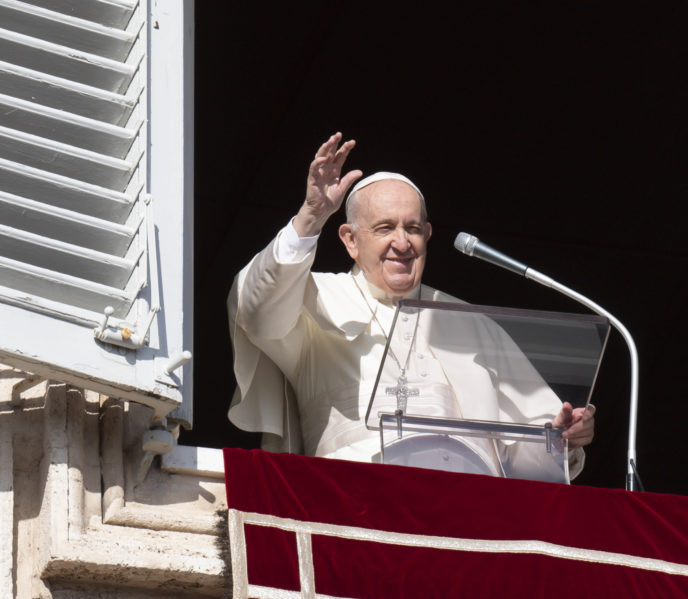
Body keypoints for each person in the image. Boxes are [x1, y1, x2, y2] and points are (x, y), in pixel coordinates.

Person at [227, 132, 596, 479]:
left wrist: (559, 439)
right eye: (385, 228)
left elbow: (517, 459)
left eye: (413, 229)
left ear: (428, 235)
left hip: (467, 504)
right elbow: (256, 313)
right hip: (352, 496)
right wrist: (310, 216)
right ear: (350, 240)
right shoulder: (312, 297)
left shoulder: (473, 323)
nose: (402, 243)